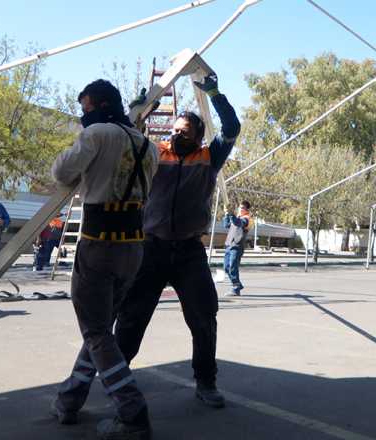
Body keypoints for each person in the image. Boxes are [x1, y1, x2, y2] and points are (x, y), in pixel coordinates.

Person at [116, 73, 240, 409]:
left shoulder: (209, 158)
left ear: (199, 136)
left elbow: (232, 128)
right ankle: (116, 377)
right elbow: (128, 136)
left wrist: (215, 93)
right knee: (132, 316)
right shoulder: (157, 154)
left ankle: (206, 381)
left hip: (188, 252)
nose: (176, 134)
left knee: (203, 317)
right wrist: (140, 109)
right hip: (152, 249)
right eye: (174, 130)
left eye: (184, 132)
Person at [49, 79, 158, 440]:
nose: (84, 116)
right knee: (99, 330)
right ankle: (70, 399)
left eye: (85, 108)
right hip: (133, 247)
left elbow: (61, 172)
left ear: (99, 105)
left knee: (95, 330)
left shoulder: (96, 134)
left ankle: (132, 411)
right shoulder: (149, 146)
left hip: (98, 244)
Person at [222, 201, 253, 296]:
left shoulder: (248, 219)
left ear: (247, 210)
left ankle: (236, 287)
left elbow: (239, 223)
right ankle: (237, 285)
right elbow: (226, 225)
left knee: (232, 267)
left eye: (242, 208)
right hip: (229, 245)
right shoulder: (236, 217)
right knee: (226, 267)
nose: (240, 209)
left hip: (237, 246)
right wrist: (227, 214)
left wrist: (231, 214)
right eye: (239, 207)